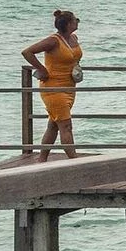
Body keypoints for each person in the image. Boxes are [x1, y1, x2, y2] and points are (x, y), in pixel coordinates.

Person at [22, 9, 83, 161]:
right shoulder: (53, 41)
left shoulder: (73, 38)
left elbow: (73, 57)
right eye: (75, 20)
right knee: (66, 126)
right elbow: (27, 52)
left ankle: (42, 159)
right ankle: (74, 161)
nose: (78, 22)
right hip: (53, 88)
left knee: (54, 125)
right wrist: (42, 69)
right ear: (68, 24)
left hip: (69, 87)